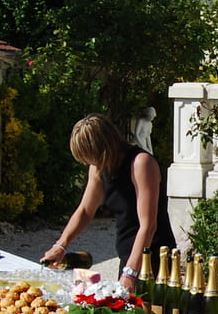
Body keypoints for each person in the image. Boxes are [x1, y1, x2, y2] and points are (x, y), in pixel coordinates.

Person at [41, 115, 177, 288]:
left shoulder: (141, 163)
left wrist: (130, 272)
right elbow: (85, 210)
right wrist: (61, 245)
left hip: (155, 256)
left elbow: (148, 226)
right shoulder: (99, 167)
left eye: (89, 157)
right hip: (128, 254)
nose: (86, 163)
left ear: (102, 149)